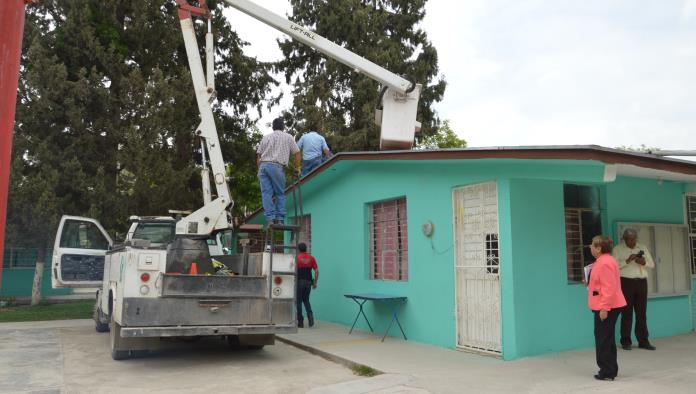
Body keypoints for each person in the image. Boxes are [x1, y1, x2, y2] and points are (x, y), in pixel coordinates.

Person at [588, 235, 627, 381]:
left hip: (606, 306)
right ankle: (610, 369)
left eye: (592, 245)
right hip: (608, 304)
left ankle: (606, 371)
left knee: (603, 339)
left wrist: (604, 308)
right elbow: (601, 284)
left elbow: (609, 287)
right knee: (607, 338)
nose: (590, 247)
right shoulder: (604, 261)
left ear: (599, 248)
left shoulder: (604, 263)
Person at [612, 228, 656, 350]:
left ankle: (643, 341)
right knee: (626, 312)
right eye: (629, 239)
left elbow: (651, 264)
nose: (632, 241)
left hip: (641, 282)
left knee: (641, 313)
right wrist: (627, 260)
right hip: (626, 282)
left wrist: (643, 262)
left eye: (634, 239)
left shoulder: (642, 247)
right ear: (624, 239)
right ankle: (626, 341)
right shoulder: (617, 249)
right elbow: (614, 266)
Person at [256, 117, 301, 224]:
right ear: (283, 127)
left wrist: (259, 170)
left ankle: (270, 219)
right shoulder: (288, 137)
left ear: (273, 127)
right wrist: (296, 168)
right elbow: (297, 153)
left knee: (266, 194)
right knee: (280, 193)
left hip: (263, 166)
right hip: (276, 166)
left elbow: (258, 156)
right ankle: (280, 219)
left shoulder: (266, 137)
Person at [296, 242, 319, 328]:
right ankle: (310, 316)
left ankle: (300, 322)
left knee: (298, 302)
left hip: (300, 282)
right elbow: (316, 271)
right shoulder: (311, 258)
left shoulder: (297, 258)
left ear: (298, 249)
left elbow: (292, 270)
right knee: (306, 300)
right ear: (306, 249)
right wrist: (315, 283)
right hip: (309, 282)